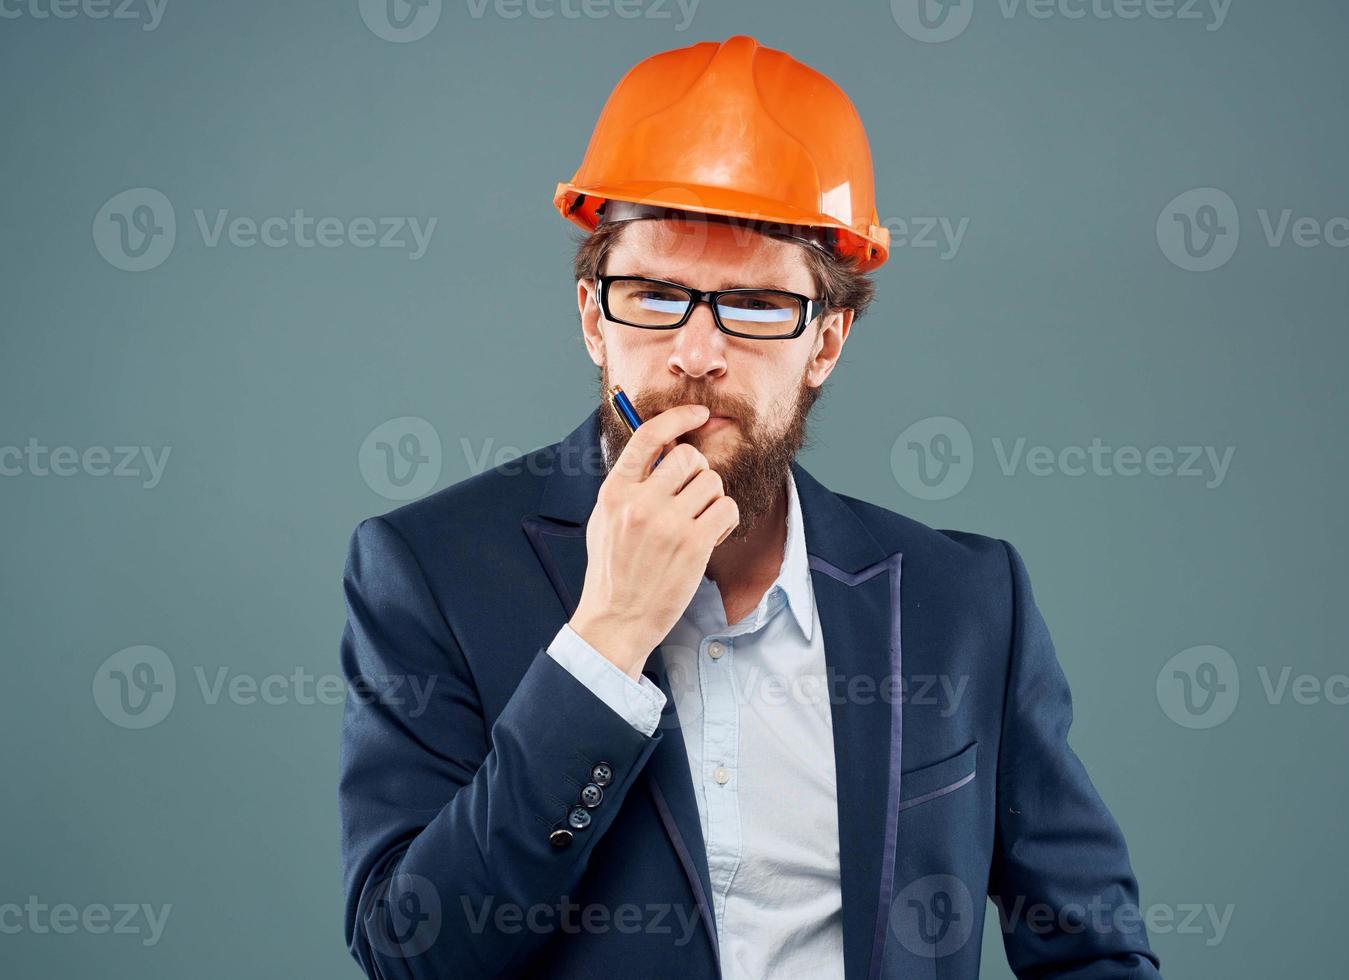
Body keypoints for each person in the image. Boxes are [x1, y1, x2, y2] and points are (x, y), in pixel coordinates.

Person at [338, 33, 1162, 979]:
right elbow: (413, 955)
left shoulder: (971, 604)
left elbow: (1093, 951)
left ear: (828, 342)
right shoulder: (428, 572)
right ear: (592, 319)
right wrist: (605, 642)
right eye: (652, 295)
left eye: (758, 306)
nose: (697, 352)